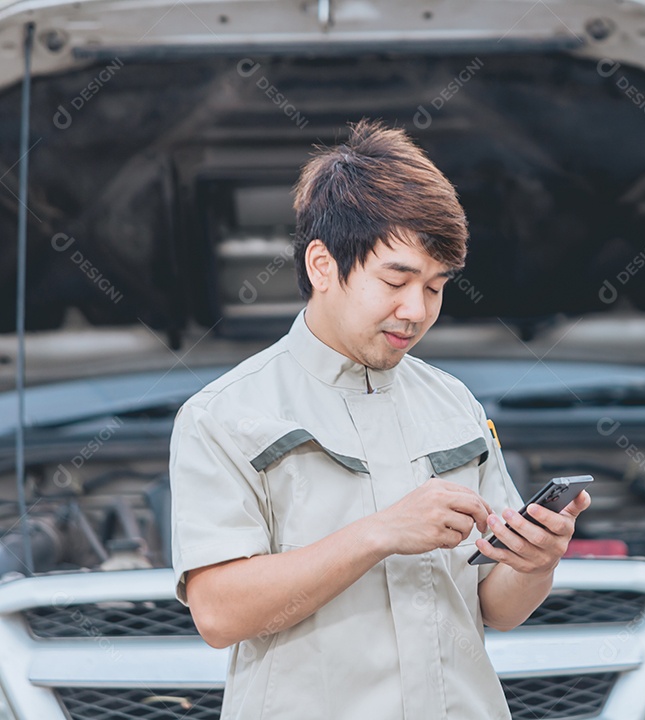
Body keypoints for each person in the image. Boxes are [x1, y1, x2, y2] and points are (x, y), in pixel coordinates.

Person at [168, 118, 590, 719]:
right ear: (321, 265)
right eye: (396, 279)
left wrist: (537, 560)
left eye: (437, 287)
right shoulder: (223, 417)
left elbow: (497, 607)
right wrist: (380, 532)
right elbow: (218, 614)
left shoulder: (456, 404)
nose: (415, 310)